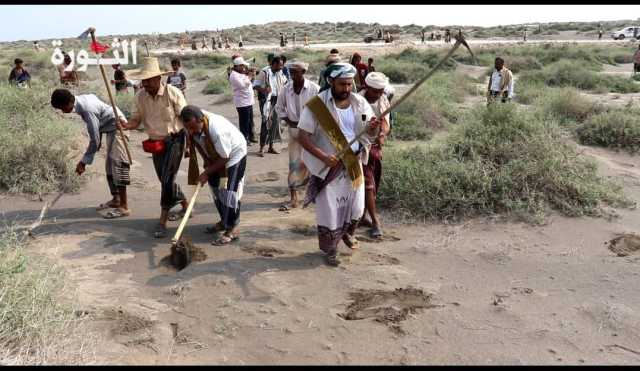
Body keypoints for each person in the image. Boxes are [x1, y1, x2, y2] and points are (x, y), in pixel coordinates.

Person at [297, 63, 381, 267]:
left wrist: (372, 128)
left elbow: (370, 134)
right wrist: (324, 156)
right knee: (330, 211)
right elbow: (303, 137)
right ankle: (330, 249)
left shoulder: (359, 103)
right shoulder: (317, 106)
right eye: (342, 84)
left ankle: (348, 234)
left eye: (349, 84)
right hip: (329, 165)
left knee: (357, 208)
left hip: (353, 161)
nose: (347, 89)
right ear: (331, 82)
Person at [119, 57, 189, 238]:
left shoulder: (172, 93)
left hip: (175, 140)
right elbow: (136, 120)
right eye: (144, 80)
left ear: (159, 79)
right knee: (165, 180)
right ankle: (186, 206)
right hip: (155, 144)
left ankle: (162, 221)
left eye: (149, 80)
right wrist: (127, 125)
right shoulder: (140, 96)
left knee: (166, 180)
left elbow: (187, 118)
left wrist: (191, 144)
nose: (146, 83)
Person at [51, 89, 131, 219]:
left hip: (118, 126)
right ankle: (116, 199)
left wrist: (83, 162)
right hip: (108, 127)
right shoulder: (81, 100)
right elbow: (97, 124)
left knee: (118, 164)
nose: (62, 111)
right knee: (109, 166)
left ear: (70, 102)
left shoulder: (87, 109)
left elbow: (94, 140)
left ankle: (124, 206)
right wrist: (92, 149)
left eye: (63, 107)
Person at [181, 105, 247, 245]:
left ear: (201, 120)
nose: (191, 131)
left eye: (193, 128)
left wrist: (206, 172)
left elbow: (225, 158)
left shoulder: (217, 130)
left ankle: (232, 229)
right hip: (213, 157)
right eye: (188, 128)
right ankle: (224, 221)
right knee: (216, 190)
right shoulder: (192, 123)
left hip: (233, 155)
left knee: (229, 191)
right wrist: (208, 170)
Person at [275, 60, 320, 211]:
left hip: (311, 133)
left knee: (312, 164)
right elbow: (279, 108)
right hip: (294, 131)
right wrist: (289, 121)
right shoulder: (286, 89)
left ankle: (313, 195)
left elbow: (322, 111)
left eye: (295, 71)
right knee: (294, 164)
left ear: (303, 72)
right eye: (291, 71)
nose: (292, 74)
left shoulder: (314, 89)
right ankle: (294, 198)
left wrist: (309, 125)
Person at [358, 72, 391, 239]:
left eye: (380, 91)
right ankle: (375, 222)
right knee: (368, 183)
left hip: (376, 149)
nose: (378, 94)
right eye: (375, 91)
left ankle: (363, 216)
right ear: (367, 87)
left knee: (372, 183)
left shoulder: (383, 100)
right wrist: (368, 129)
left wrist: (382, 134)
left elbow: (385, 124)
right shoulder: (357, 100)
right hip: (360, 147)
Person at [254, 55, 287, 156]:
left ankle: (271, 147)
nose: (281, 67)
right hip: (266, 101)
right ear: (274, 64)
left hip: (277, 100)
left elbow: (284, 83)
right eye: (280, 65)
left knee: (274, 124)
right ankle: (261, 148)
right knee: (265, 123)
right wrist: (264, 90)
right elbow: (255, 85)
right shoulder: (264, 73)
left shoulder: (279, 73)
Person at [228, 56, 257, 145]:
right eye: (242, 66)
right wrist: (250, 76)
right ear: (238, 66)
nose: (244, 68)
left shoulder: (241, 73)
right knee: (244, 122)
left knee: (250, 120)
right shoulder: (234, 76)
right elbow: (243, 85)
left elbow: (248, 81)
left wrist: (250, 74)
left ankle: (251, 136)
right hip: (242, 102)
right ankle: (244, 139)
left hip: (248, 101)